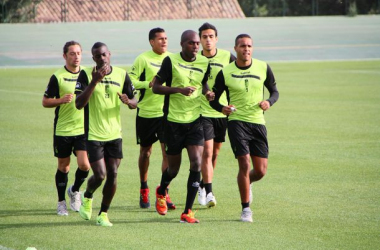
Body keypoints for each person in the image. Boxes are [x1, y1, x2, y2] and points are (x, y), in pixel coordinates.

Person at [210, 34, 279, 222]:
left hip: (258, 122)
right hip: (236, 121)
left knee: (261, 171)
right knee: (244, 162)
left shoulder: (263, 67)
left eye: (249, 46)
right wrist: (221, 108)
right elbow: (214, 99)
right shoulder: (226, 72)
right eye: (242, 46)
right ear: (235, 48)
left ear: (252, 48)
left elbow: (275, 91)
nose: (246, 49)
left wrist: (269, 102)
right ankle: (246, 209)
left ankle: (247, 183)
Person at [152, 30, 214, 223]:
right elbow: (156, 87)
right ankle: (161, 191)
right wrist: (179, 90)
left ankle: (187, 211)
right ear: (181, 44)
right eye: (191, 43)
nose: (196, 46)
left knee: (196, 161)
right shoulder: (170, 61)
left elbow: (202, 83)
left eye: (197, 43)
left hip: (195, 120)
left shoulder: (204, 62)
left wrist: (208, 93)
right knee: (173, 169)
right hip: (173, 122)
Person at [75, 42, 137, 227]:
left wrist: (129, 101)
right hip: (94, 135)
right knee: (100, 175)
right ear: (93, 58)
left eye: (104, 55)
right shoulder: (86, 74)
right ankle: (87, 195)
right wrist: (94, 82)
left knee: (113, 173)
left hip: (114, 135)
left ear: (109, 54)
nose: (101, 58)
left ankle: (103, 213)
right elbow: (79, 104)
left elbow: (135, 101)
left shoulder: (121, 74)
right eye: (97, 56)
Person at [128, 27, 175, 210]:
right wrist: (148, 84)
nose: (164, 41)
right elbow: (129, 80)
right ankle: (144, 187)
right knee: (146, 152)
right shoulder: (143, 59)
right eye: (160, 39)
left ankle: (163, 192)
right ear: (151, 42)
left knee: (167, 154)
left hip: (167, 114)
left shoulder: (172, 59)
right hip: (146, 113)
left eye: (166, 38)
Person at [42, 41, 90, 216]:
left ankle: (75, 190)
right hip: (63, 129)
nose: (76, 56)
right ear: (65, 56)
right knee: (64, 167)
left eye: (78, 53)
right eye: (72, 53)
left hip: (82, 129)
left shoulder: (86, 74)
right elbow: (45, 101)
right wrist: (60, 100)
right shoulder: (58, 76)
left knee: (85, 165)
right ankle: (61, 202)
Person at [197, 22, 236, 208]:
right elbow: (200, 81)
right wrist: (206, 92)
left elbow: (238, 74)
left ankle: (202, 185)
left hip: (222, 112)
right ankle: (210, 192)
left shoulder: (227, 56)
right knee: (207, 152)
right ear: (200, 40)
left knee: (215, 155)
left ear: (216, 39)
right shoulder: (196, 59)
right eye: (204, 37)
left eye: (211, 36)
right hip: (203, 111)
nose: (208, 40)